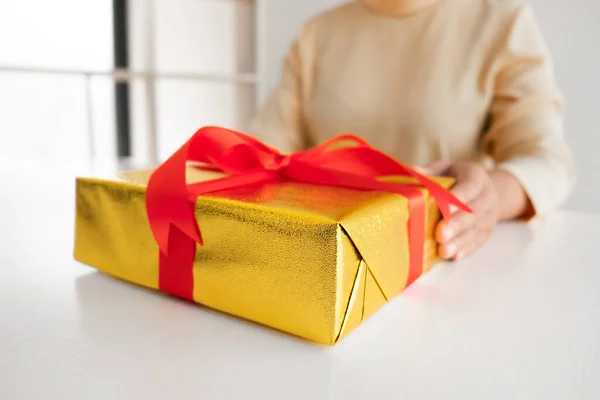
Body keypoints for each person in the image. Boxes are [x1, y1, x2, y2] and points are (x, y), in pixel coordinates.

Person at [251, 0, 575, 260]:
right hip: (327, 262)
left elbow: (547, 161)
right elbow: (262, 153)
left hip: (445, 266)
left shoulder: (503, 23)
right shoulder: (317, 34)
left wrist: (489, 195)